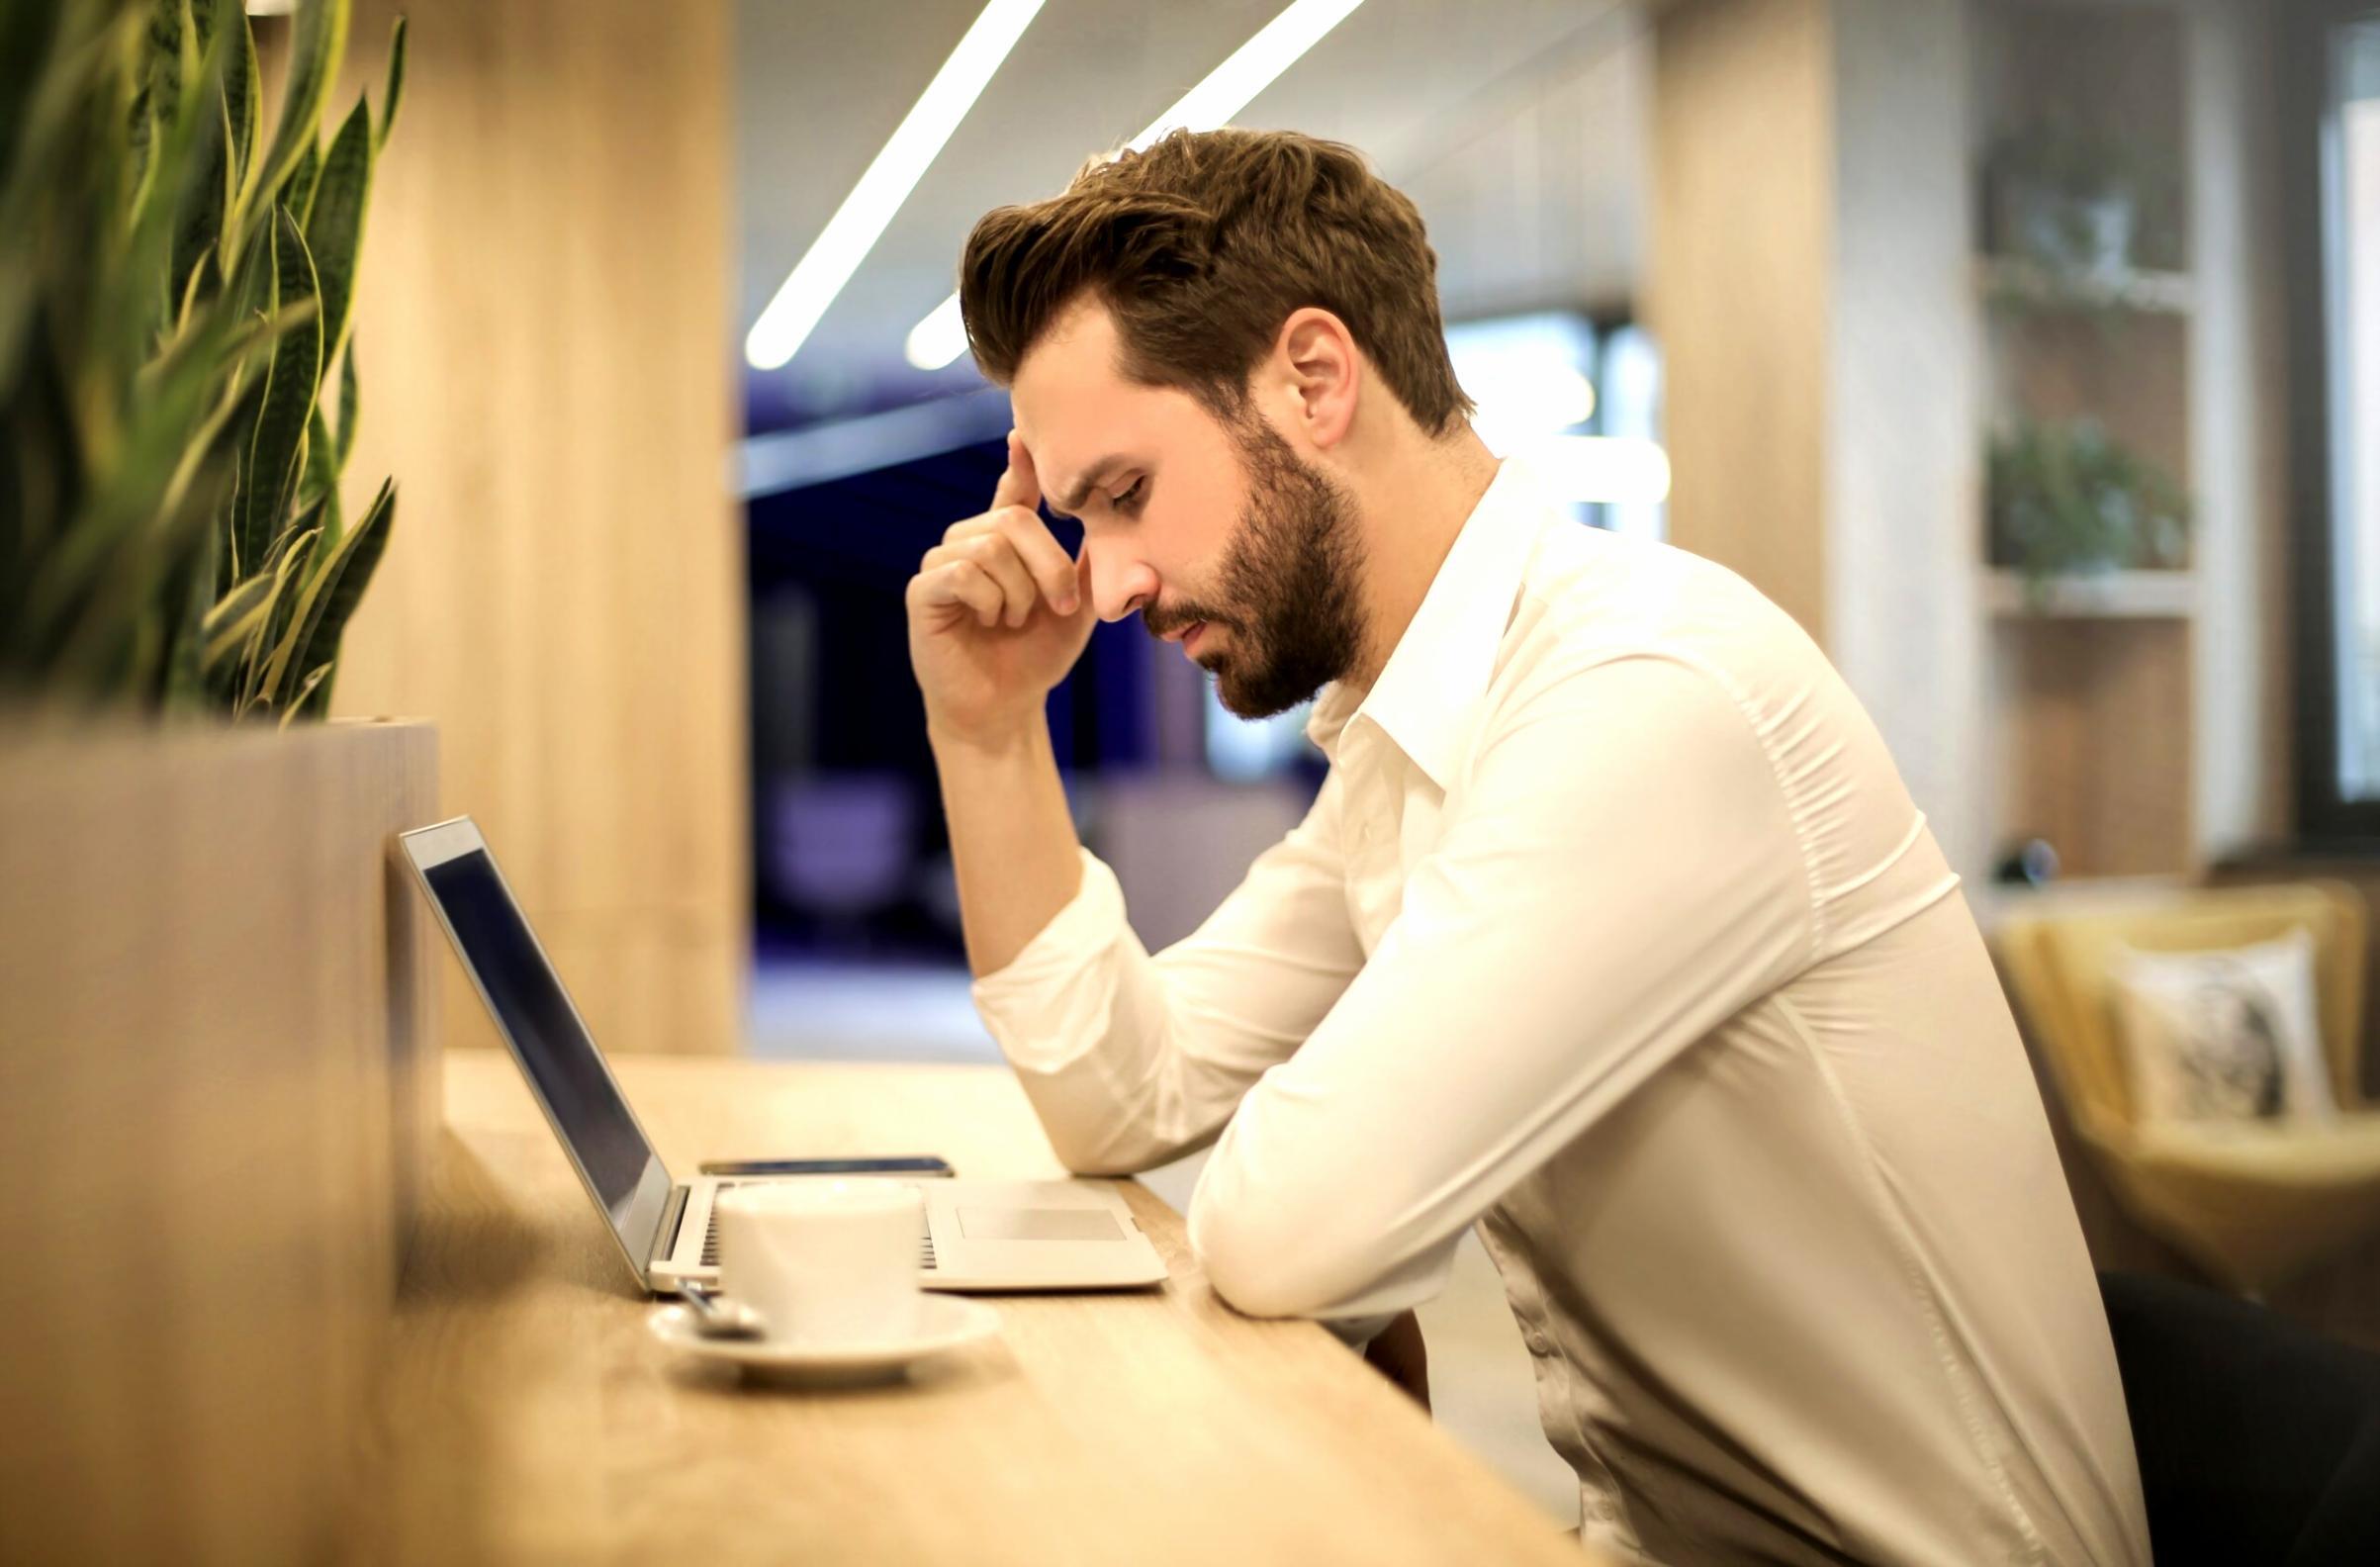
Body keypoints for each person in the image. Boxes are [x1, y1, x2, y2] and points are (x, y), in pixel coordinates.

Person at [903, 127, 2149, 1566]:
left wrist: (1336, 1210)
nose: (1103, 579)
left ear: (1312, 380)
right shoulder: (1409, 735)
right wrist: (989, 736)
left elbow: (1287, 1229)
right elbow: (1122, 1098)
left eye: (1124, 494)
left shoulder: (1642, 693)